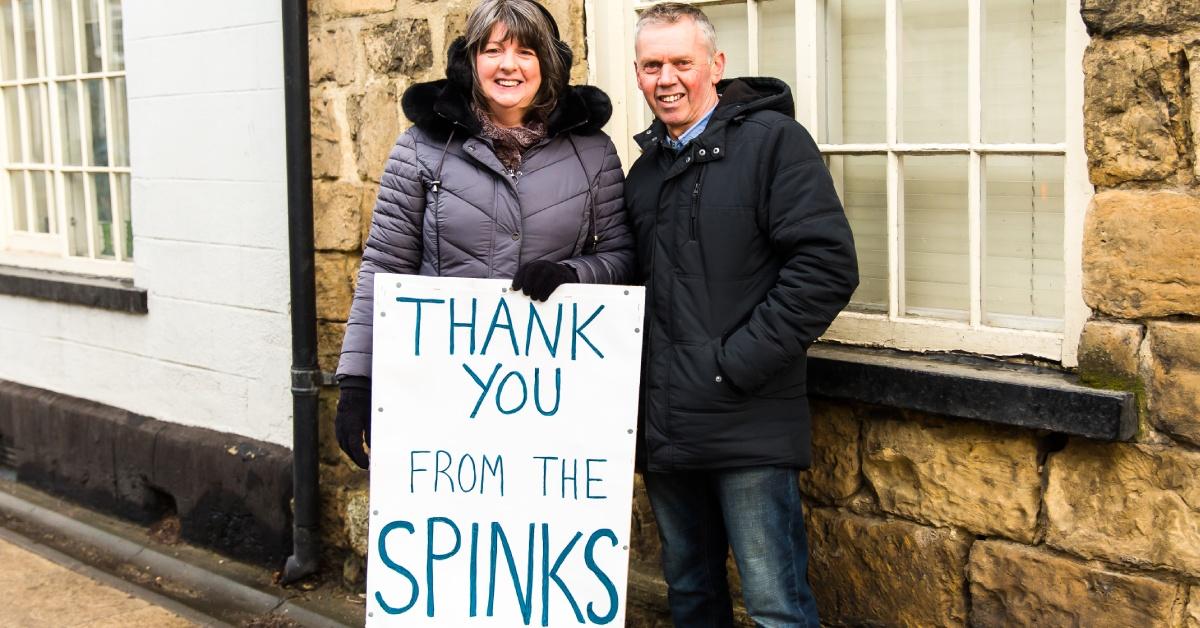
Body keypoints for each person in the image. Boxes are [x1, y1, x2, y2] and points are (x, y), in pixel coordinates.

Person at [625, 3, 859, 626]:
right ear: (637, 73)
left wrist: (736, 366)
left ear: (715, 66)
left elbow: (826, 267)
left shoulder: (774, 144)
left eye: (682, 62)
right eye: (652, 65)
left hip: (746, 419)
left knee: (775, 605)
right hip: (667, 428)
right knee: (692, 598)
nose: (666, 78)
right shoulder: (644, 173)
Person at [334, 0, 633, 469]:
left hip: (551, 394)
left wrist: (571, 273)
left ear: (548, 63)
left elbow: (620, 256)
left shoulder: (592, 152)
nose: (508, 65)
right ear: (471, 61)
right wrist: (357, 381)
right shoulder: (421, 147)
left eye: (526, 52)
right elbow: (384, 264)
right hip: (440, 386)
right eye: (493, 50)